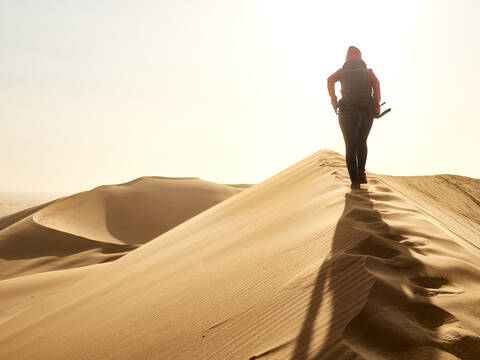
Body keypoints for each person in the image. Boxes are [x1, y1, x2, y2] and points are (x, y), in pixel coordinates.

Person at [327, 46, 381, 188]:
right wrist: (377, 104)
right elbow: (377, 84)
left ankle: (354, 181)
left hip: (346, 112)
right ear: (360, 57)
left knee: (350, 146)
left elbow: (329, 80)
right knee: (362, 142)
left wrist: (334, 99)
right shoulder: (368, 72)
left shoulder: (342, 72)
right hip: (366, 112)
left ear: (347, 57)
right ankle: (361, 173)